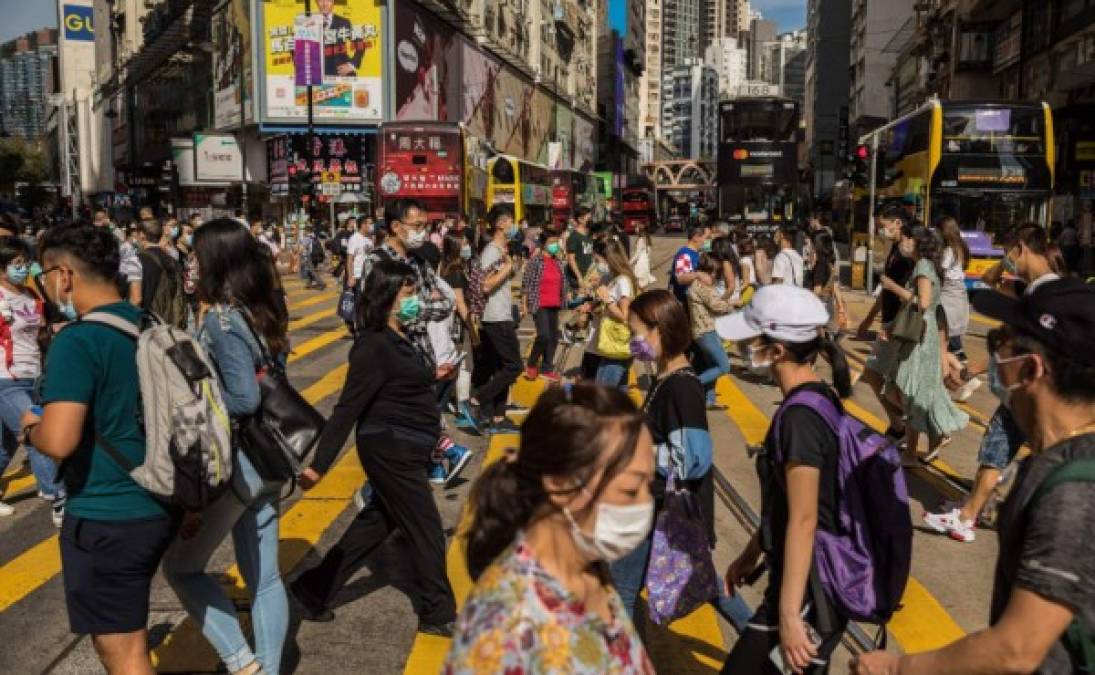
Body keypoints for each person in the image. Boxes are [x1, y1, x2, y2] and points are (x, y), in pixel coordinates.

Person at [854, 278, 1095, 675]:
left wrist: (900, 668)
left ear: (1032, 368)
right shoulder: (1057, 460)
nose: (995, 356)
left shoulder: (1074, 488)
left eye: (1002, 343)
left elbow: (1016, 649)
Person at [23, 224, 174, 673]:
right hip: (161, 501)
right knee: (132, 637)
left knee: (123, 652)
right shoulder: (148, 323)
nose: (45, 285)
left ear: (64, 275)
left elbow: (60, 439)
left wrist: (31, 429)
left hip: (108, 513)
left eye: (44, 274)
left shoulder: (78, 340)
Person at [291, 259, 458, 634]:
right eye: (409, 293)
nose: (416, 299)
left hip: (408, 445)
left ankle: (313, 589)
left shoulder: (399, 337)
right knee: (427, 529)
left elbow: (400, 383)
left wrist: (432, 375)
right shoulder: (372, 345)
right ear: (387, 296)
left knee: (376, 524)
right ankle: (437, 612)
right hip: (389, 448)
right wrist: (320, 465)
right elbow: (347, 408)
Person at [445, 383, 656, 674]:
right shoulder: (505, 632)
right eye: (632, 489)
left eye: (650, 484)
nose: (647, 503)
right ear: (559, 484)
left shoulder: (586, 566)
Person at [161, 219, 290, 675]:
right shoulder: (264, 308)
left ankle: (242, 661)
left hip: (238, 464)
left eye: (195, 253)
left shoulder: (222, 319)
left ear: (215, 258)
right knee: (265, 579)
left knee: (181, 568)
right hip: (270, 459)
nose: (189, 261)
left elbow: (243, 399)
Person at [715, 284, 852, 675]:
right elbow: (785, 501)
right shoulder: (816, 398)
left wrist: (790, 615)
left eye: (749, 340)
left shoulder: (800, 418)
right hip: (800, 580)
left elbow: (806, 517)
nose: (742, 349)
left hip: (811, 588)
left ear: (776, 351)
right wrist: (751, 553)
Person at [923, 223, 1064, 543]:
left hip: (1030, 389)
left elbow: (1022, 345)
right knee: (1003, 448)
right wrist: (1008, 261)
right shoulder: (1032, 288)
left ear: (1023, 249)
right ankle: (973, 508)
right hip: (1025, 390)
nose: (1006, 260)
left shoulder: (1044, 293)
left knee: (1000, 448)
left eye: (1009, 252)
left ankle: (968, 517)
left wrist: (973, 367)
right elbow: (989, 280)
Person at [610, 289, 714, 620]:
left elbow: (693, 459)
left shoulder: (681, 387)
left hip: (660, 507)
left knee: (622, 592)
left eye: (636, 331)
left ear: (659, 330)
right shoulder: (663, 378)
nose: (633, 339)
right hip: (652, 502)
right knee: (707, 585)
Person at [878, 225, 969, 463]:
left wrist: (892, 287)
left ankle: (913, 451)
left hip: (921, 336)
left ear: (917, 243)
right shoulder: (928, 265)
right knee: (907, 390)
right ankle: (935, 435)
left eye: (908, 239)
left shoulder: (923, 266)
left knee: (911, 391)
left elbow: (924, 302)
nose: (904, 243)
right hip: (921, 333)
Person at [0, 237, 65, 524]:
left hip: (34, 377)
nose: (23, 268)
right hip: (6, 379)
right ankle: (59, 499)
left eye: (25, 262)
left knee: (4, 446)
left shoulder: (30, 295)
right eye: (16, 264)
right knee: (36, 434)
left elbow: (39, 333)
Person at [857, 204, 917, 441]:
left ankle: (902, 425)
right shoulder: (896, 249)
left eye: (884, 226)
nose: (881, 231)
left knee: (872, 373)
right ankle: (903, 424)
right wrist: (869, 319)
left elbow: (907, 295)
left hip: (897, 325)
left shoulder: (906, 254)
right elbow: (886, 293)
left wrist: (891, 326)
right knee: (892, 380)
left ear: (898, 223)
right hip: (891, 323)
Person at [469, 207, 522, 433]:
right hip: (495, 316)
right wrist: (508, 268)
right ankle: (478, 399)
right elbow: (486, 285)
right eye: (511, 221)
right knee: (514, 365)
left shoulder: (501, 249)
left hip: (502, 314)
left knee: (501, 365)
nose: (513, 225)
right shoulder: (491, 251)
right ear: (500, 224)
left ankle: (498, 417)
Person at [440, 232, 480, 434]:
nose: (468, 246)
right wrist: (472, 330)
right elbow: (460, 303)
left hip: (451, 324)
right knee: (465, 364)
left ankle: (450, 401)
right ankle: (463, 406)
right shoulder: (455, 271)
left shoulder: (447, 267)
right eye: (464, 243)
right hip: (458, 325)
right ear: (455, 247)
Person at [688, 254, 736, 410]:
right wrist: (733, 304)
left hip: (704, 330)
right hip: (706, 331)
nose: (715, 277)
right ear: (706, 272)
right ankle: (690, 386)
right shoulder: (701, 286)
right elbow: (717, 306)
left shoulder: (698, 285)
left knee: (713, 365)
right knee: (724, 367)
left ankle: (709, 400)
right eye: (714, 273)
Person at [521, 227, 566, 382]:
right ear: (544, 244)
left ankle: (547, 368)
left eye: (556, 241)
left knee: (553, 338)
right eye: (552, 242)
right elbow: (526, 283)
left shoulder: (558, 262)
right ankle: (532, 363)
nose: (555, 245)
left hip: (555, 304)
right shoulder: (535, 262)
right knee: (543, 335)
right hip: (539, 303)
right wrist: (524, 304)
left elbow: (562, 284)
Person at [136, 217, 187, 328]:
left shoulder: (137, 261)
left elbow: (135, 298)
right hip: (170, 326)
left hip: (148, 326)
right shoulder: (173, 261)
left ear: (141, 235)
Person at [936, 216, 972, 360]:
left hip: (949, 289)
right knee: (953, 321)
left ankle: (956, 354)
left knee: (946, 321)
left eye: (938, 231)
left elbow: (942, 270)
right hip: (959, 288)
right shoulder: (961, 247)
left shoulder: (949, 251)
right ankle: (956, 352)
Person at [809, 230, 847, 332]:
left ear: (817, 245)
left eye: (811, 242)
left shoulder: (820, 265)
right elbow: (835, 285)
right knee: (829, 332)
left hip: (820, 306)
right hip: (828, 303)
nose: (809, 245)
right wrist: (841, 307)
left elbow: (817, 290)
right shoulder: (830, 263)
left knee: (821, 336)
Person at [669, 223, 708, 306]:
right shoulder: (685, 254)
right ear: (696, 237)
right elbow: (681, 278)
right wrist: (698, 275)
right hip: (684, 300)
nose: (706, 241)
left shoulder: (695, 252)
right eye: (706, 238)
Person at [566, 206, 595, 287]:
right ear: (580, 219)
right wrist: (579, 277)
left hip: (590, 275)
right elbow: (571, 259)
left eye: (590, 217)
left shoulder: (589, 235)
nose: (590, 219)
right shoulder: (574, 237)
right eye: (588, 217)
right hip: (578, 278)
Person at [629, 221, 656, 289]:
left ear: (639, 230)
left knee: (639, 286)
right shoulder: (647, 239)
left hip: (640, 265)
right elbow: (648, 254)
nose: (635, 229)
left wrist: (629, 263)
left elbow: (637, 255)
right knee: (643, 285)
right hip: (645, 264)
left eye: (636, 227)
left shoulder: (640, 240)